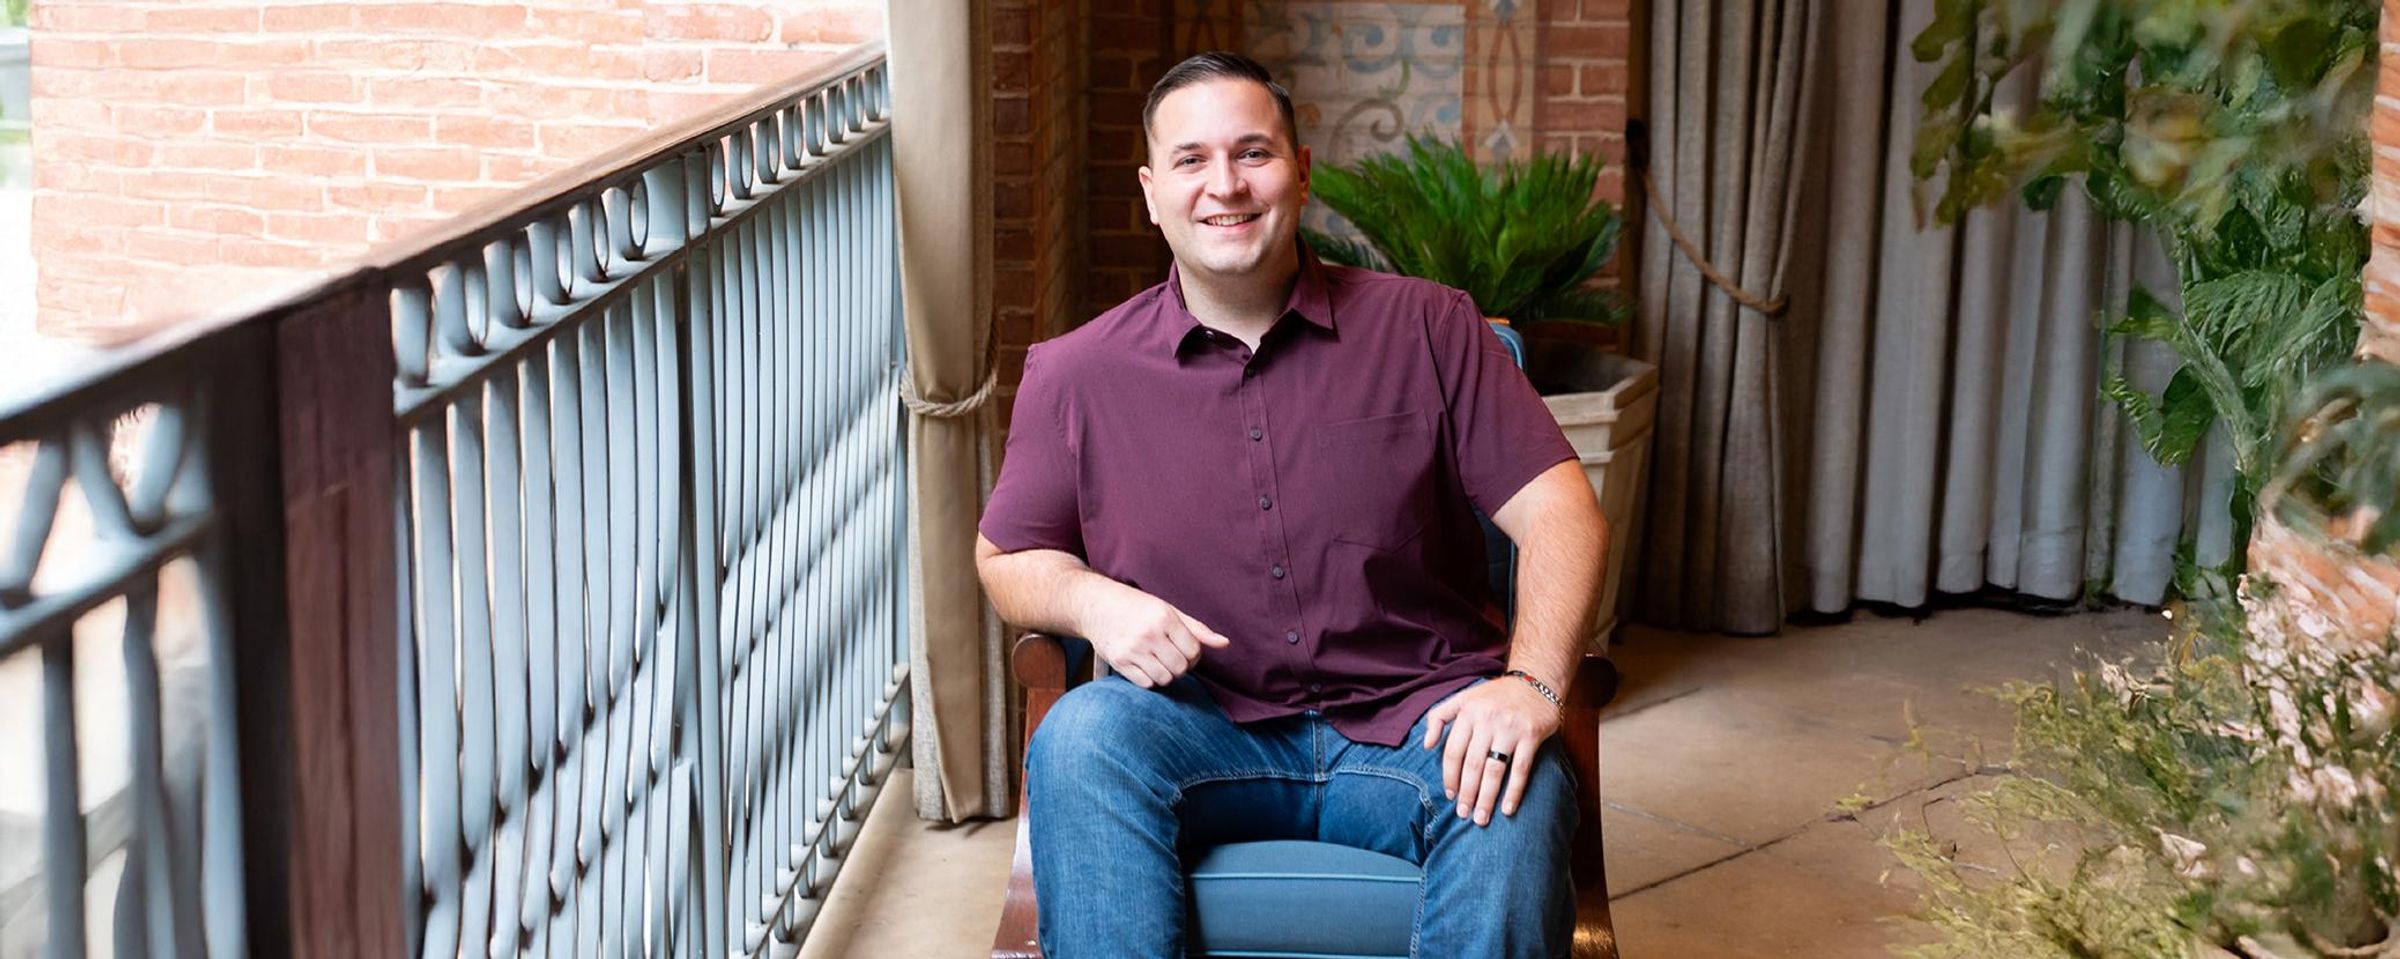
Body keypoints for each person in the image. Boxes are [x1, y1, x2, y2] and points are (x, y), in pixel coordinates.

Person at [973, 51, 1610, 958]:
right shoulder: (1077, 374)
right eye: (1191, 161)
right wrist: (1092, 600)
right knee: (1081, 737)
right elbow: (1006, 557)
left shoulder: (1431, 327)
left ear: (1301, 171)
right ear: (1152, 192)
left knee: (1515, 777)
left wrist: (1532, 685)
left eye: (1253, 153)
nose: (1224, 185)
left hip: (1420, 720)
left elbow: (1563, 514)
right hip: (1191, 726)